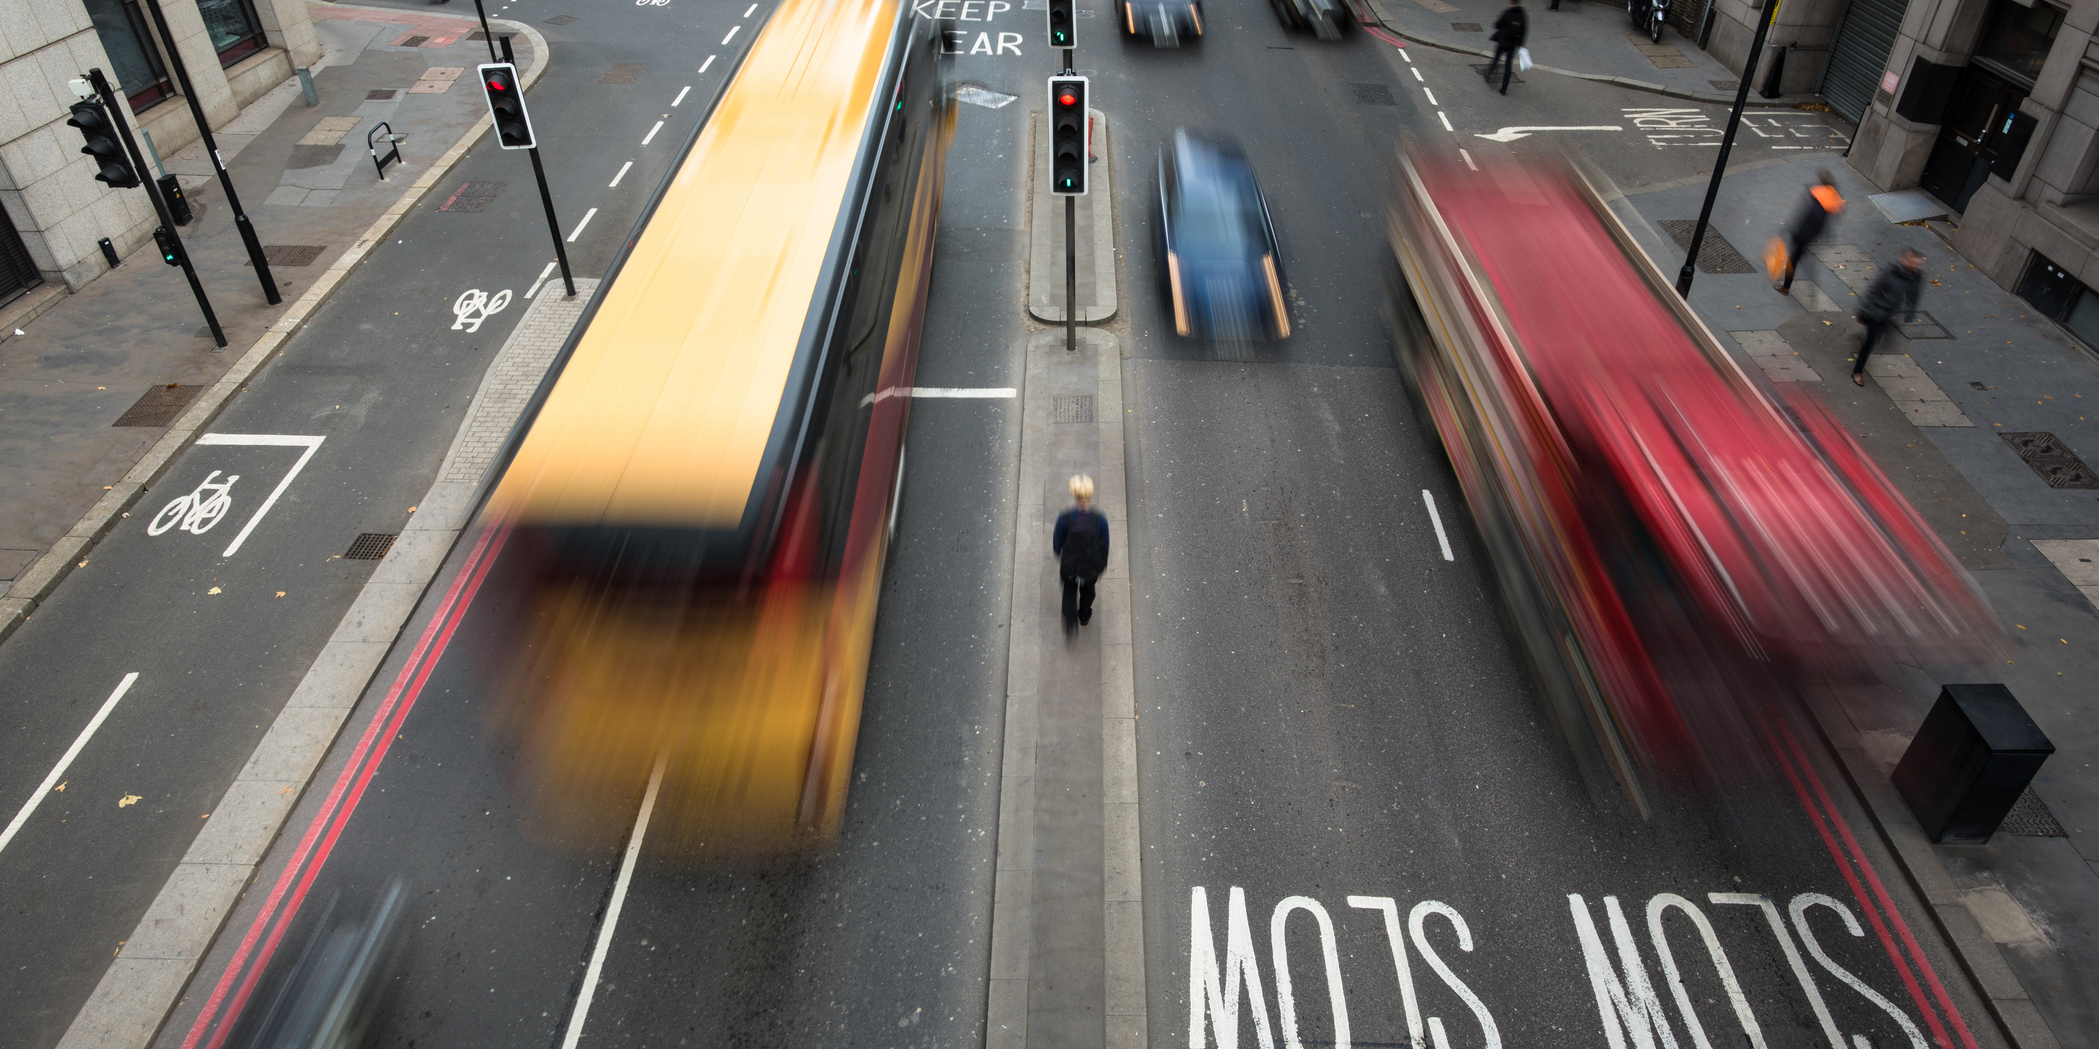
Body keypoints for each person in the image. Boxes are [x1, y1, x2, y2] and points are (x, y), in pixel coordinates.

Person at [1852, 249, 1924, 386]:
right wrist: (1865, 309)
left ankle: (1861, 342)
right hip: (1875, 310)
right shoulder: (1890, 273)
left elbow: (1913, 295)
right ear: (1905, 261)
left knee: (1878, 339)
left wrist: (1909, 312)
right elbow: (1873, 290)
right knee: (1871, 342)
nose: (1917, 267)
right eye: (1915, 263)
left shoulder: (1916, 276)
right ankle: (1857, 371)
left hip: (1890, 313)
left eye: (1919, 264)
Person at [1052, 474, 1109, 637]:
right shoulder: (1100, 519)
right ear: (1090, 494)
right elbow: (1106, 543)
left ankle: (1070, 622)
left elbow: (1057, 545)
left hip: (1070, 565)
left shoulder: (1065, 517)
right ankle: (1084, 616)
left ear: (1074, 494)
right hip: (1091, 567)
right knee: (1088, 591)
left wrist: (1061, 554)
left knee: (1069, 591)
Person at [1774, 169, 1844, 295]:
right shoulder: (1830, 197)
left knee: (1793, 260)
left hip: (1803, 235)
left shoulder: (1817, 199)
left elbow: (1806, 219)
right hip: (1811, 235)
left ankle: (1786, 287)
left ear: (1821, 183)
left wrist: (1795, 233)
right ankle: (1798, 285)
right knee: (1799, 258)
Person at [1485, 0, 1526, 95]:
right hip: (1513, 43)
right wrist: (1520, 43)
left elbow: (1497, 25)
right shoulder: (1522, 13)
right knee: (1508, 65)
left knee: (1496, 59)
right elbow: (1524, 29)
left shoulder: (1507, 13)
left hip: (1503, 41)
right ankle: (1504, 88)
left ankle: (1489, 73)